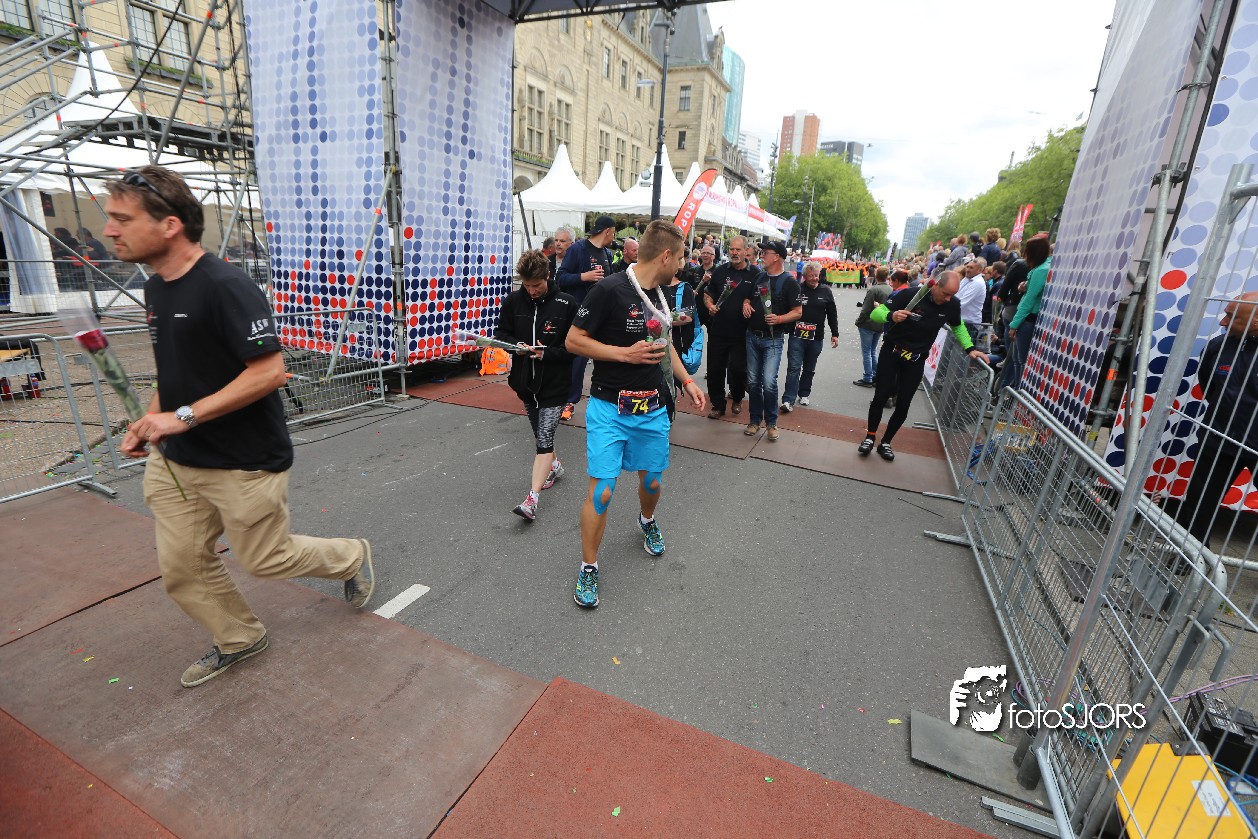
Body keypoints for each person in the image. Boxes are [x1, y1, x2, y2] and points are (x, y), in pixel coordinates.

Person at [108, 165, 374, 688]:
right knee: (183, 567)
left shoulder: (226, 286)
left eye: (123, 218)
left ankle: (350, 555)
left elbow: (269, 372)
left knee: (266, 559)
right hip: (178, 463)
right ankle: (239, 637)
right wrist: (150, 421)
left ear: (169, 225)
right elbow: (175, 372)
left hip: (243, 462)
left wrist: (180, 417)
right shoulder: (157, 290)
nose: (109, 230)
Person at [565, 219, 707, 608]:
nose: (682, 265)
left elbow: (664, 342)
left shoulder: (661, 294)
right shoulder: (608, 289)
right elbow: (573, 340)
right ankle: (589, 566)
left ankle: (646, 520)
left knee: (653, 483)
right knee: (603, 491)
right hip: (609, 407)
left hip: (653, 408)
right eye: (680, 257)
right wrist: (623, 354)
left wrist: (687, 381)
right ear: (665, 255)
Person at [858, 271, 987, 461]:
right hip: (892, 352)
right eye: (946, 293)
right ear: (935, 285)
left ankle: (886, 442)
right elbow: (876, 313)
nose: (949, 298)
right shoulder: (911, 295)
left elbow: (958, 326)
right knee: (881, 396)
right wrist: (891, 315)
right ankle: (870, 437)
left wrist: (970, 348)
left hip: (916, 359)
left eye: (952, 295)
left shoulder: (952, 304)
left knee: (903, 404)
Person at [1171, 292, 1258, 548]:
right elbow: (1209, 386)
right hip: (1218, 439)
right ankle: (1191, 557)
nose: (1222, 321)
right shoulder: (1218, 347)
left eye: (1232, 316)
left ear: (1255, 321)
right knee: (1199, 504)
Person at [495, 249, 577, 521]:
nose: (531, 291)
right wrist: (514, 346)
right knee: (541, 435)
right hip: (524, 383)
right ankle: (555, 466)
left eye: (537, 285)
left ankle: (532, 500)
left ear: (548, 276)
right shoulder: (513, 301)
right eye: (527, 285)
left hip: (555, 383)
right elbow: (501, 333)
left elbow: (575, 347)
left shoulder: (567, 303)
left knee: (543, 440)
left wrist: (547, 353)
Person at [739, 239, 801, 441]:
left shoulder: (789, 282)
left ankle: (772, 423)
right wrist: (746, 304)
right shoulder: (759, 276)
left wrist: (780, 319)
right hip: (752, 336)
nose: (762, 255)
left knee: (768, 382)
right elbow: (748, 297)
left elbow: (798, 311)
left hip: (773, 339)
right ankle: (755, 420)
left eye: (766, 252)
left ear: (777, 257)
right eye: (762, 252)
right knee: (753, 382)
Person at [556, 216, 616, 421]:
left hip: (602, 314)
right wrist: (584, 277)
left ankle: (605, 401)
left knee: (605, 357)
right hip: (579, 312)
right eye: (613, 233)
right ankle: (569, 401)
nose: (613, 237)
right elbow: (560, 278)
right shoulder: (578, 249)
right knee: (578, 359)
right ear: (608, 231)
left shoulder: (607, 253)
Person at [702, 235, 757, 419]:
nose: (734, 253)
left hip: (742, 333)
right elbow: (708, 293)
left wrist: (749, 301)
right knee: (715, 370)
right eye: (732, 249)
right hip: (718, 330)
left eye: (738, 249)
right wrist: (710, 305)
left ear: (746, 251)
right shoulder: (720, 271)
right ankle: (718, 405)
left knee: (738, 370)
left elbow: (761, 298)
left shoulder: (755, 274)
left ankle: (737, 397)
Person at [781, 260, 838, 411]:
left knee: (809, 368)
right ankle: (788, 400)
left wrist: (835, 334)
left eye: (816, 275)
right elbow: (787, 309)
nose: (814, 278)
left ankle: (804, 394)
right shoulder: (798, 289)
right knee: (794, 368)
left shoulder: (826, 291)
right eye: (811, 275)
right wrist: (786, 327)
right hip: (797, 336)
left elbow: (832, 314)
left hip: (816, 337)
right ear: (805, 276)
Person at [1002, 234, 1051, 390]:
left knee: (1021, 361)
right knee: (1018, 360)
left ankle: (1018, 392)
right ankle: (1017, 391)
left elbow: (1029, 300)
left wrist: (1014, 325)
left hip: (1027, 320)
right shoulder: (1044, 267)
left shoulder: (1041, 270)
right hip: (1027, 319)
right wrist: (1025, 285)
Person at [854, 266, 893, 387]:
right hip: (881, 323)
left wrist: (859, 322)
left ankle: (868, 377)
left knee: (867, 352)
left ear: (876, 276)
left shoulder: (873, 290)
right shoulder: (891, 290)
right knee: (873, 351)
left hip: (868, 323)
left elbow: (865, 309)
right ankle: (876, 375)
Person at [957, 256, 987, 345]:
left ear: (979, 270)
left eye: (971, 268)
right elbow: (956, 295)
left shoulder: (978, 283)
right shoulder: (967, 279)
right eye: (967, 267)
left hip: (969, 324)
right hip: (961, 321)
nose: (968, 270)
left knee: (961, 351)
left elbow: (961, 303)